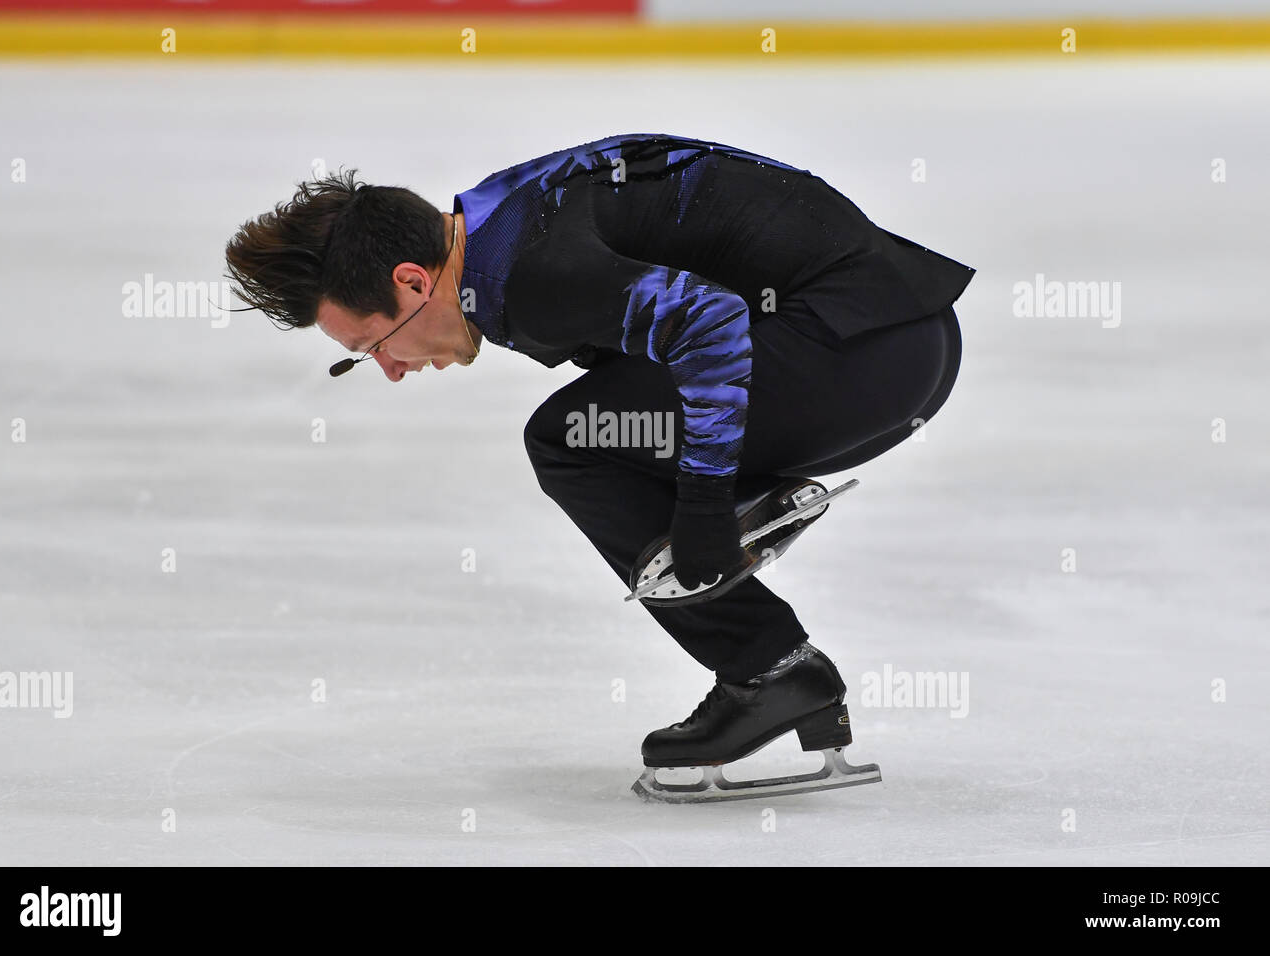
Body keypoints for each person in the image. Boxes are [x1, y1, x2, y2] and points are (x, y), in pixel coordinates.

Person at [225, 133, 974, 801]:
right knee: (601, 422)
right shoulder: (499, 224)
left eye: (373, 346)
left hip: (865, 354)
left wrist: (706, 501)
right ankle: (763, 621)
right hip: (893, 337)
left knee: (570, 438)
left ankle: (771, 671)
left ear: (413, 282)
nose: (390, 370)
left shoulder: (530, 271)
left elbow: (708, 322)